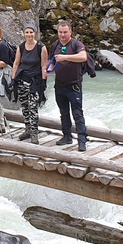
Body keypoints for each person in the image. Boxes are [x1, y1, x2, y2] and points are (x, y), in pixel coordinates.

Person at [49, 20, 88, 151]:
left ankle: (82, 141)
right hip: (59, 84)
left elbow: (83, 57)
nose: (62, 35)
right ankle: (67, 136)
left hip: (74, 85)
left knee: (77, 113)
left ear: (70, 32)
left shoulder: (76, 44)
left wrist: (65, 57)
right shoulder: (55, 45)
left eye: (65, 32)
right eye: (60, 32)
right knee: (63, 112)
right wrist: (48, 70)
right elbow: (52, 61)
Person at [11, 23, 48, 142]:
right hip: (22, 80)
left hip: (35, 82)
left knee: (33, 108)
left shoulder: (41, 47)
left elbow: (44, 65)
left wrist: (44, 81)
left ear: (35, 33)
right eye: (27, 32)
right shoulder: (21, 47)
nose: (29, 34)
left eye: (31, 32)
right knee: (25, 106)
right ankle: (27, 129)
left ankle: (34, 133)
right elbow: (16, 63)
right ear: (24, 33)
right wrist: (13, 79)